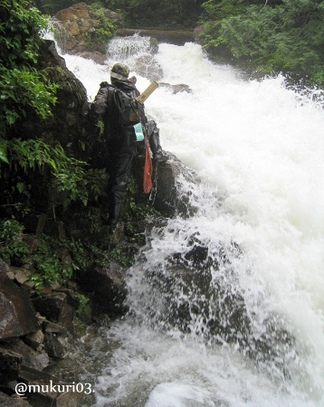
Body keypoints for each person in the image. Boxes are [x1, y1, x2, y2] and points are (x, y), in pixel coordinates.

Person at [91, 62, 168, 229]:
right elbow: (142, 119)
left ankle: (112, 219)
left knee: (118, 181)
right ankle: (158, 153)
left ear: (112, 76)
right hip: (137, 139)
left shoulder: (107, 90)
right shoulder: (135, 92)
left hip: (118, 143)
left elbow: (97, 108)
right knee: (152, 125)